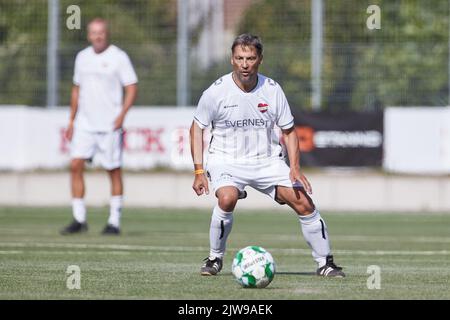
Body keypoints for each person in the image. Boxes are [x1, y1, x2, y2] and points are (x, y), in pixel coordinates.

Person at [189, 34, 345, 277]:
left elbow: (289, 131)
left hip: (267, 162)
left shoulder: (272, 90)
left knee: (304, 203)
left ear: (260, 59)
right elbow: (196, 127)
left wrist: (294, 167)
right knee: (227, 198)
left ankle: (326, 263)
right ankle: (214, 259)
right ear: (232, 60)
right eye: (240, 58)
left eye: (250, 58)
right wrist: (199, 171)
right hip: (226, 160)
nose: (245, 64)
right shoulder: (216, 92)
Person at [61, 18, 138, 235]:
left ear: (107, 33)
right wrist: (71, 120)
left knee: (113, 170)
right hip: (85, 124)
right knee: (75, 165)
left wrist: (122, 114)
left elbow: (131, 87)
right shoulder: (82, 57)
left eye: (101, 32)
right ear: (88, 35)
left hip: (110, 125)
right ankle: (79, 218)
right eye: (94, 32)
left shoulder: (118, 57)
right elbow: (76, 89)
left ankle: (114, 220)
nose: (97, 36)